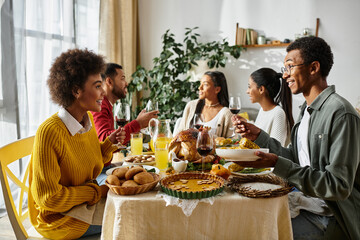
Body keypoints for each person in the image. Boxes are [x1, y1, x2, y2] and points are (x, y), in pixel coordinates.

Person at [233, 36, 360, 239]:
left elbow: (338, 186)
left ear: (313, 68)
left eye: (290, 66)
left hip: (331, 215)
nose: (285, 75)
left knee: (258, 231)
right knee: (246, 216)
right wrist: (259, 136)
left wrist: (276, 163)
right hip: (306, 201)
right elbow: (295, 157)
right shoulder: (307, 110)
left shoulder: (341, 113)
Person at [28, 49, 125, 239]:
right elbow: (49, 199)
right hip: (59, 219)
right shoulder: (50, 132)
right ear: (76, 91)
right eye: (97, 86)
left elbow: (87, 162)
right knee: (128, 216)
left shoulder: (85, 120)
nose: (103, 92)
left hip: (79, 204)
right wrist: (95, 192)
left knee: (129, 200)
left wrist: (107, 145)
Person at [91, 63, 158, 185]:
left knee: (148, 175)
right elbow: (104, 139)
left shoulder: (107, 105)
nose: (126, 83)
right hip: (98, 172)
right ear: (109, 82)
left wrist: (137, 126)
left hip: (106, 166)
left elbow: (108, 146)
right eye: (122, 78)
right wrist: (137, 124)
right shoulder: (100, 106)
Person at [174, 71, 233, 137]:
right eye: (200, 83)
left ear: (217, 89)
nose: (200, 88)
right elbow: (178, 133)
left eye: (205, 84)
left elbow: (231, 142)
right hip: (188, 147)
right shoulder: (191, 106)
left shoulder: (226, 113)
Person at [247, 68, 294, 146]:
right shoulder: (262, 110)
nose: (247, 91)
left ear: (261, 89)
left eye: (249, 87)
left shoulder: (278, 113)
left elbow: (277, 149)